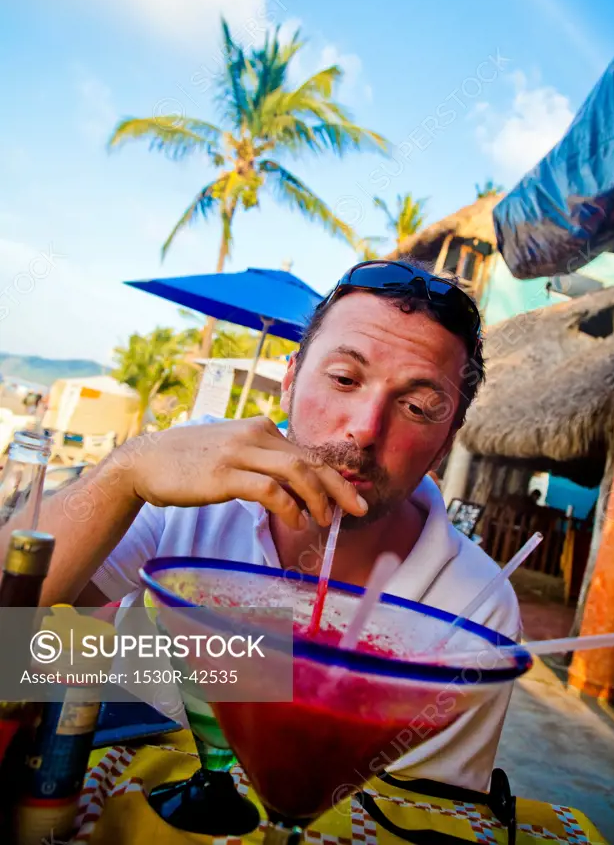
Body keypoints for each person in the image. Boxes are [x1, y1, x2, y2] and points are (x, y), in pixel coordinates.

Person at [2, 258, 520, 792]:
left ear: (449, 436)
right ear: (290, 380)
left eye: (417, 406)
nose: (365, 430)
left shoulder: (477, 603)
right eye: (344, 379)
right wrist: (123, 475)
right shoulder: (188, 478)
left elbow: (423, 810)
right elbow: (8, 622)